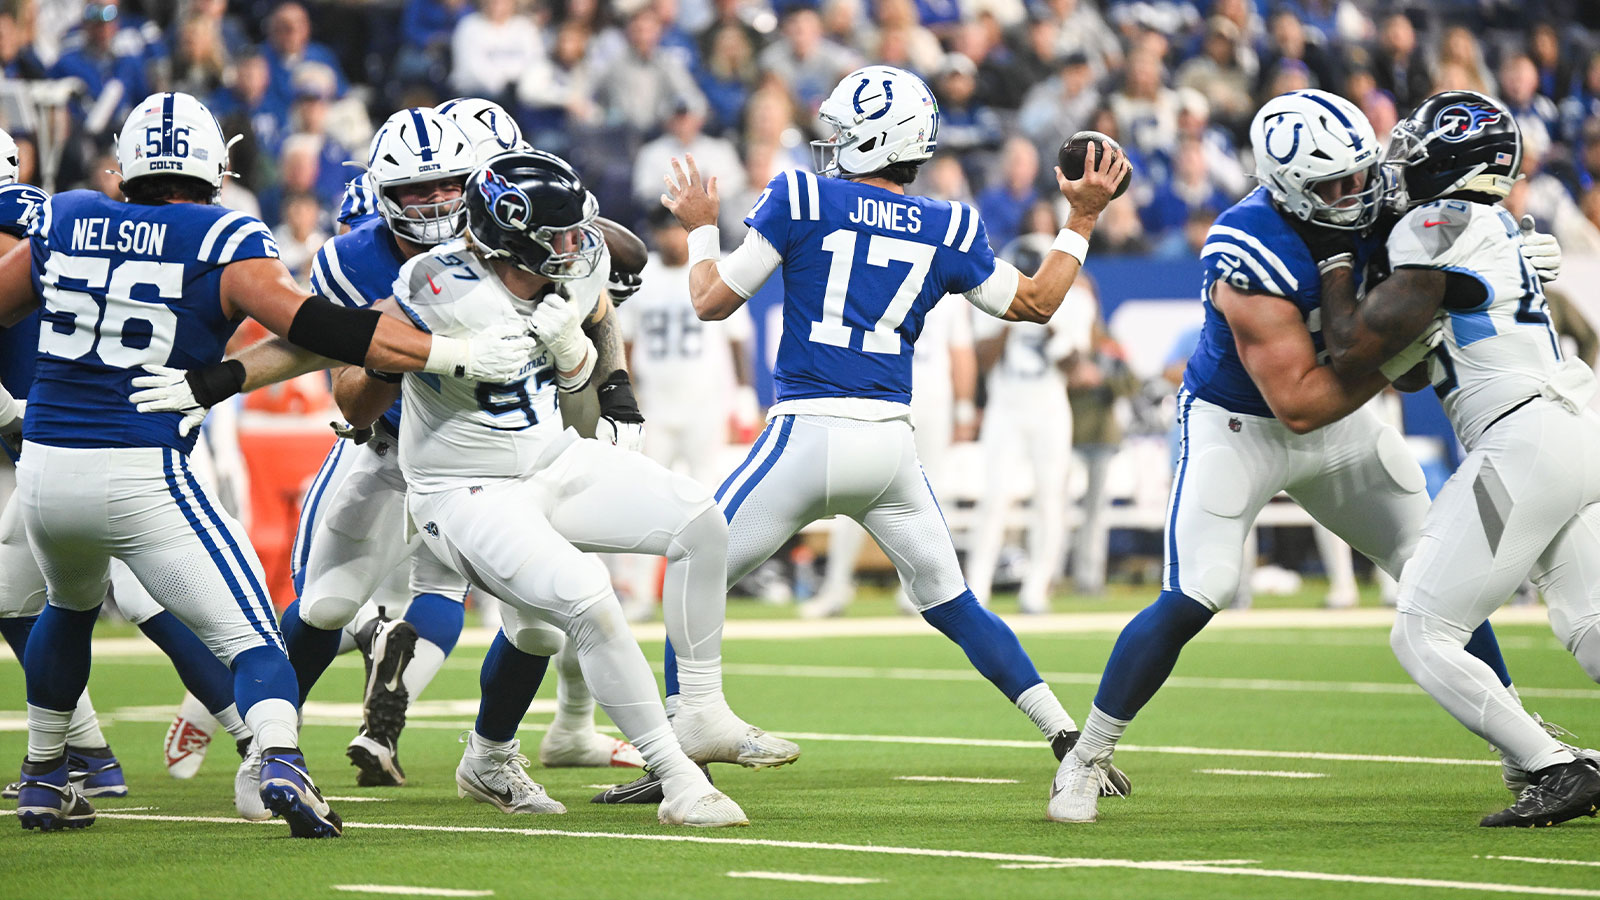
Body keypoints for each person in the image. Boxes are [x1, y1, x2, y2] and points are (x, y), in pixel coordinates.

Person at [0, 91, 538, 836]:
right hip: (141, 465)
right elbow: (313, 326)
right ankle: (279, 759)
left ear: (124, 164)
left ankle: (41, 774)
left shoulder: (63, 216)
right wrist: (453, 352)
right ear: (215, 164)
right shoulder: (221, 232)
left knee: (66, 607)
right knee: (257, 639)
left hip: (46, 467)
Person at [622, 65, 1131, 811]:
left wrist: (701, 222)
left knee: (694, 561)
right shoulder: (950, 223)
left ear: (872, 141)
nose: (830, 142)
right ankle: (1066, 738)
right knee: (953, 602)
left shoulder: (801, 195)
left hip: (806, 434)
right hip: (890, 447)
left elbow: (709, 300)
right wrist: (1081, 217)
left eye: (844, 132)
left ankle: (684, 742)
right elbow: (1037, 301)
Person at [1048, 90, 1552, 825]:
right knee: (1198, 592)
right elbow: (1301, 403)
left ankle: (1526, 752)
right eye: (1331, 187)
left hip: (1343, 425)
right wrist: (1429, 321)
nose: (1354, 196)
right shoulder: (1246, 245)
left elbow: (1409, 365)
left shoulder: (1387, 199)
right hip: (1241, 428)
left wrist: (1498, 269)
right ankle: (1086, 756)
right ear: (1286, 187)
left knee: (1438, 578)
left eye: (1359, 177)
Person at [356, 150, 785, 825]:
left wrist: (572, 355)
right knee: (587, 599)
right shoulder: (433, 287)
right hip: (464, 489)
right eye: (557, 236)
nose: (574, 245)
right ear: (510, 237)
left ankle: (698, 710)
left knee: (701, 522)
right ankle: (678, 779)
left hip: (550, 459)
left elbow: (583, 416)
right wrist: (433, 358)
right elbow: (355, 390)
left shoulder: (577, 273)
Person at [1316, 91, 1600, 827]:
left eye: (1414, 144)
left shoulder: (1437, 221)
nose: (1399, 158)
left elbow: (1354, 350)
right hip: (1573, 427)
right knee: (1590, 621)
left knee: (1420, 628)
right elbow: (1410, 368)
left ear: (1450, 155)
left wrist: (1337, 261)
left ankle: (1554, 765)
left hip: (1524, 437)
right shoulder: (1492, 224)